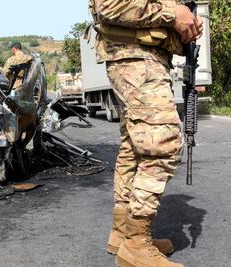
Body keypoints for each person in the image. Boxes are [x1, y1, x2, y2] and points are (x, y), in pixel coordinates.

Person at [90, 0, 203, 266]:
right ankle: (137, 245)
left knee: (134, 149)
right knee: (162, 144)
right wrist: (172, 12)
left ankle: (123, 234)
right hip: (135, 56)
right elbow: (108, 5)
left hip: (143, 56)